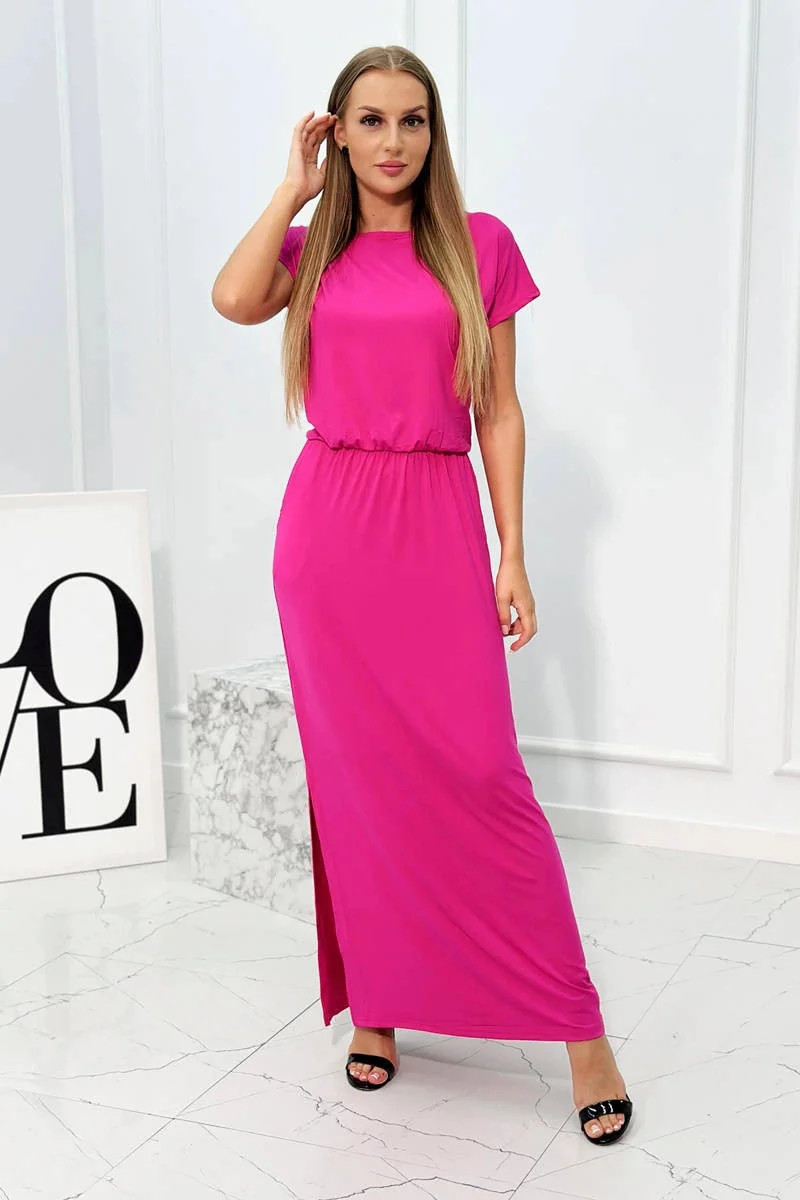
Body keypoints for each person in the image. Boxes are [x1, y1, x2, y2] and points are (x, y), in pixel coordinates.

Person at [212, 44, 633, 1147]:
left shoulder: (477, 244)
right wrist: (291, 191)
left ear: (433, 132)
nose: (393, 140)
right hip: (327, 536)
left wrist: (513, 551)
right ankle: (379, 1004)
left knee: (483, 771)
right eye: (370, 120)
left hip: (435, 524)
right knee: (354, 784)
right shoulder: (310, 250)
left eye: (412, 119)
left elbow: (498, 408)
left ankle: (578, 1028)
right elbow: (232, 299)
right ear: (338, 132)